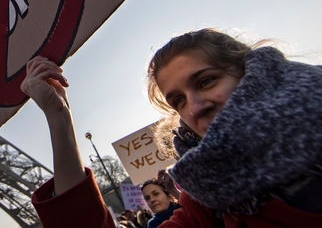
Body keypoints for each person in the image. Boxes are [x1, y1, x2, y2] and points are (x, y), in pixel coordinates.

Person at [23, 28, 322, 228]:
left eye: (206, 81)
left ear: (249, 72)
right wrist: (58, 117)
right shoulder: (209, 199)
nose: (194, 107)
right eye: (178, 101)